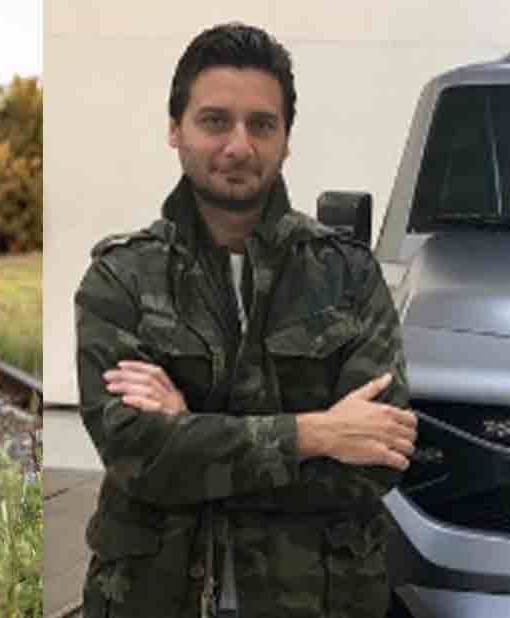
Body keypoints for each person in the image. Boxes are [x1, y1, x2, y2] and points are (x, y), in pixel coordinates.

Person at [74, 22, 418, 618]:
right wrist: (317, 434)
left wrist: (193, 435)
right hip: (153, 597)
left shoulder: (350, 277)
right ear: (175, 130)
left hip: (317, 600)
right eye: (215, 121)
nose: (239, 145)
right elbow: (135, 455)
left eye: (261, 124)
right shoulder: (121, 279)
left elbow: (374, 464)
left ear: (286, 139)